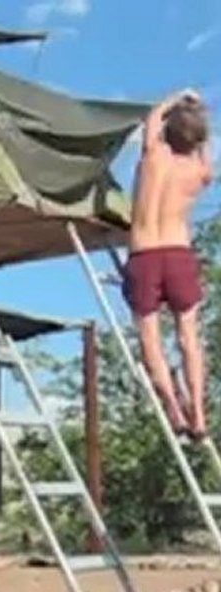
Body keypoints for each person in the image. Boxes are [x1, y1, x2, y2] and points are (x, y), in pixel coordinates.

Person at [124, 89, 213, 440]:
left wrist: (176, 99)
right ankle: (200, 416)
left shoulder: (152, 157)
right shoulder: (198, 172)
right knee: (188, 337)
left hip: (144, 255)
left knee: (150, 339)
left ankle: (174, 410)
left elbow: (151, 118)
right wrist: (197, 124)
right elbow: (204, 153)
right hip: (178, 254)